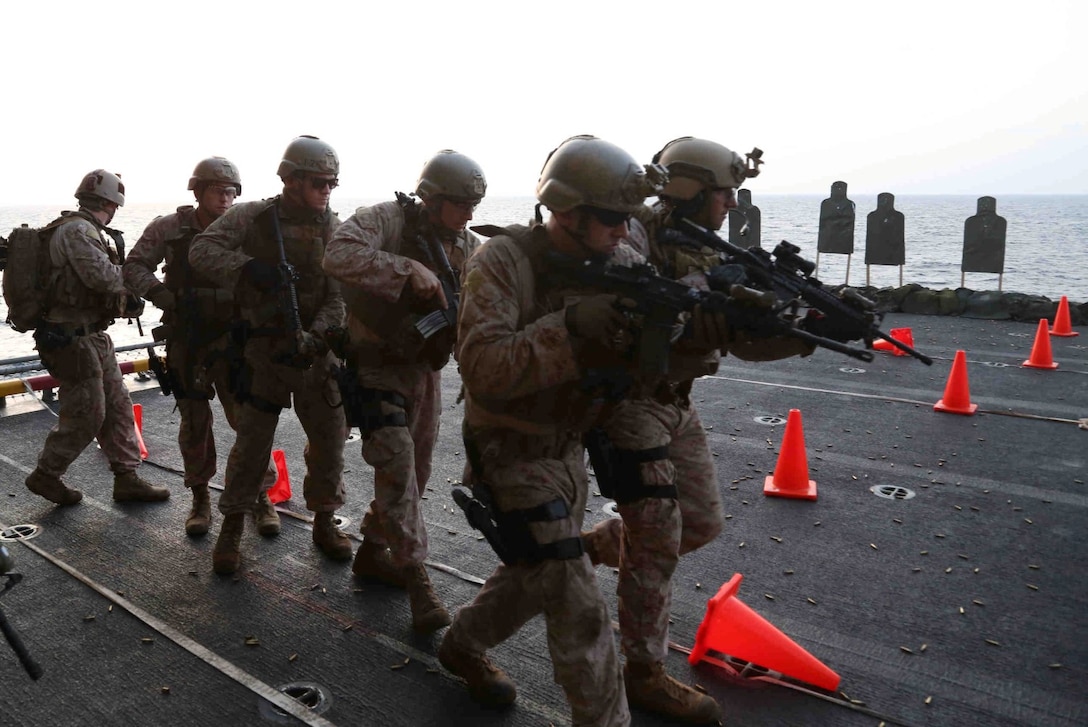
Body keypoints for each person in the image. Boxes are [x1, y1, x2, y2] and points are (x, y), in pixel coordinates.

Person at [438, 135, 680, 727]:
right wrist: (568, 326)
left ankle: (462, 644)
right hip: (509, 448)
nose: (626, 231)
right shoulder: (501, 262)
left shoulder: (622, 265)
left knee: (534, 572)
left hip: (572, 448)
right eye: (613, 218)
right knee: (578, 601)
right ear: (567, 213)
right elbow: (484, 367)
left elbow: (652, 365)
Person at [581, 136, 814, 724]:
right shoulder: (631, 230)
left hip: (674, 402)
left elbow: (735, 338)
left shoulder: (701, 244)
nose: (731, 204)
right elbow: (640, 301)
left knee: (702, 521)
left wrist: (801, 330)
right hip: (626, 400)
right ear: (690, 189)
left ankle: (597, 546)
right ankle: (643, 672)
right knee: (658, 536)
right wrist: (713, 291)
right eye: (724, 192)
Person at [322, 150, 485, 634]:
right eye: (460, 204)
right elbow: (337, 254)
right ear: (432, 198)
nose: (469, 214)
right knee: (397, 470)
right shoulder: (385, 220)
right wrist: (407, 271)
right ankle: (417, 578)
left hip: (424, 374)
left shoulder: (468, 245)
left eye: (474, 205)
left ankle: (372, 553)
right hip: (375, 370)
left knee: (417, 472)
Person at [188, 136, 349, 574]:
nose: (327, 190)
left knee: (330, 441)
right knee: (252, 444)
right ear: (291, 180)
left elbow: (339, 296)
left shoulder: (332, 226)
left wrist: (316, 337)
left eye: (332, 182)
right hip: (263, 354)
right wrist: (248, 269)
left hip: (315, 356)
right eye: (318, 181)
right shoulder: (252, 216)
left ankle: (323, 520)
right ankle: (232, 527)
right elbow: (201, 250)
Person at [123, 157, 280, 538]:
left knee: (249, 423)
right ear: (198, 191)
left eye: (231, 192)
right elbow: (134, 267)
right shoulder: (170, 228)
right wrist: (163, 296)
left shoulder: (245, 229)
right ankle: (200, 498)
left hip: (236, 340)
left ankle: (261, 498)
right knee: (195, 424)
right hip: (188, 340)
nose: (225, 199)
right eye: (217, 191)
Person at [24, 170, 170, 506]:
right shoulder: (77, 230)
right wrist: (133, 278)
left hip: (92, 335)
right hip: (71, 339)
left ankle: (127, 477)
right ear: (111, 203)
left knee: (118, 406)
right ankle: (46, 474)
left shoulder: (84, 229)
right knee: (88, 412)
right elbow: (102, 277)